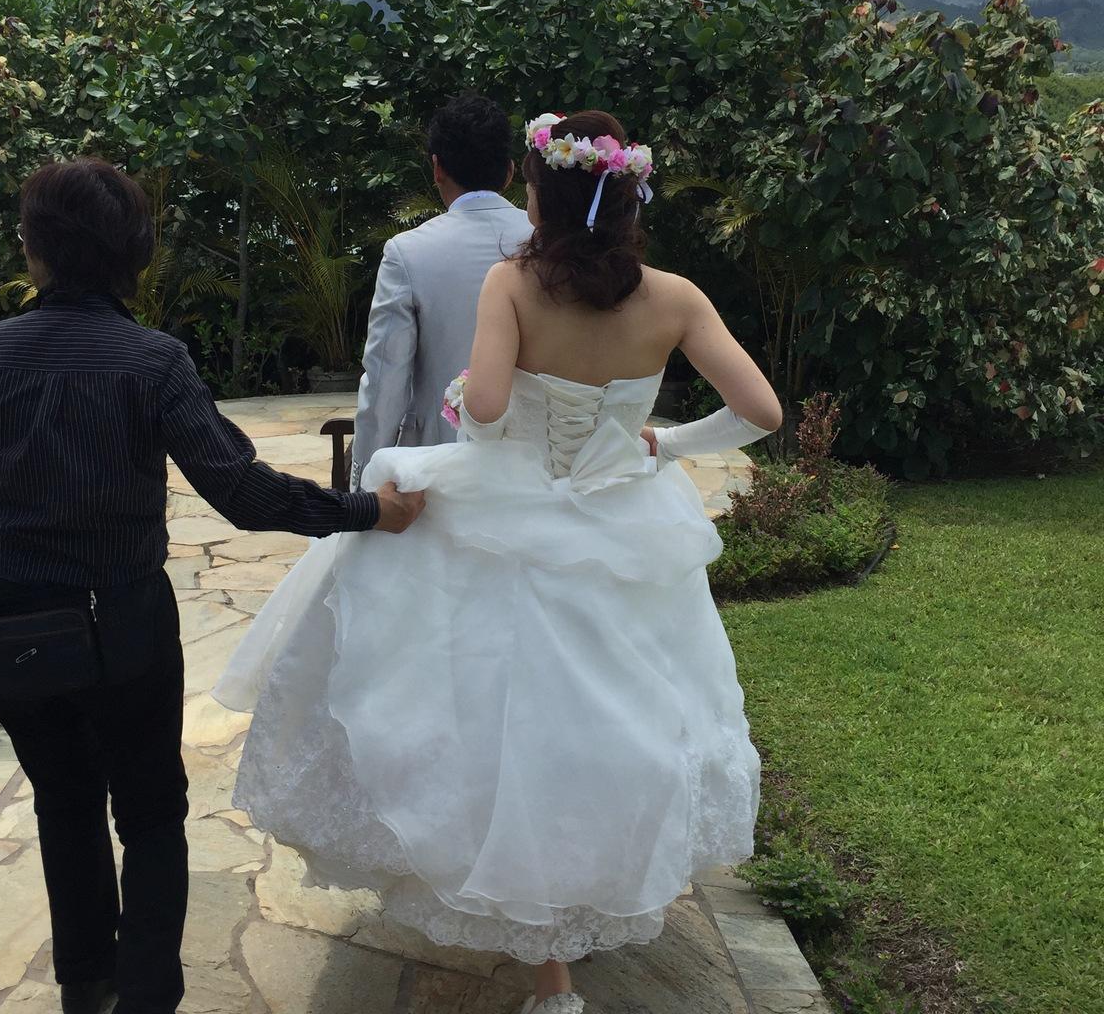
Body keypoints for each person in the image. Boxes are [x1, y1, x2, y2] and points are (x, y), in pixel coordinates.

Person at [215, 110, 783, 1013]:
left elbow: (480, 410)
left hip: (509, 511)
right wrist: (662, 445)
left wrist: (474, 401)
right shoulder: (676, 296)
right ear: (631, 200)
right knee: (615, 715)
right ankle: (589, 891)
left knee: (493, 715)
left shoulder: (512, 283)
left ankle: (526, 928)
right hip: (623, 519)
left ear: (539, 195)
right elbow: (760, 412)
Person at [0, 157, 423, 1014]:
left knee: (64, 804)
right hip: (125, 628)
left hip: (15, 629)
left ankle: (85, 990)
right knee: (149, 815)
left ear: (36, 249)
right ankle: (145, 998)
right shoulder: (153, 362)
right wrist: (368, 510)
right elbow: (241, 493)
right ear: (135, 252)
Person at [350, 91, 530, 488]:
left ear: (437, 168)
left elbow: (384, 381)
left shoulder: (408, 253)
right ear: (509, 171)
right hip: (536, 467)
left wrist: (364, 484)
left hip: (436, 466)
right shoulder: (552, 244)